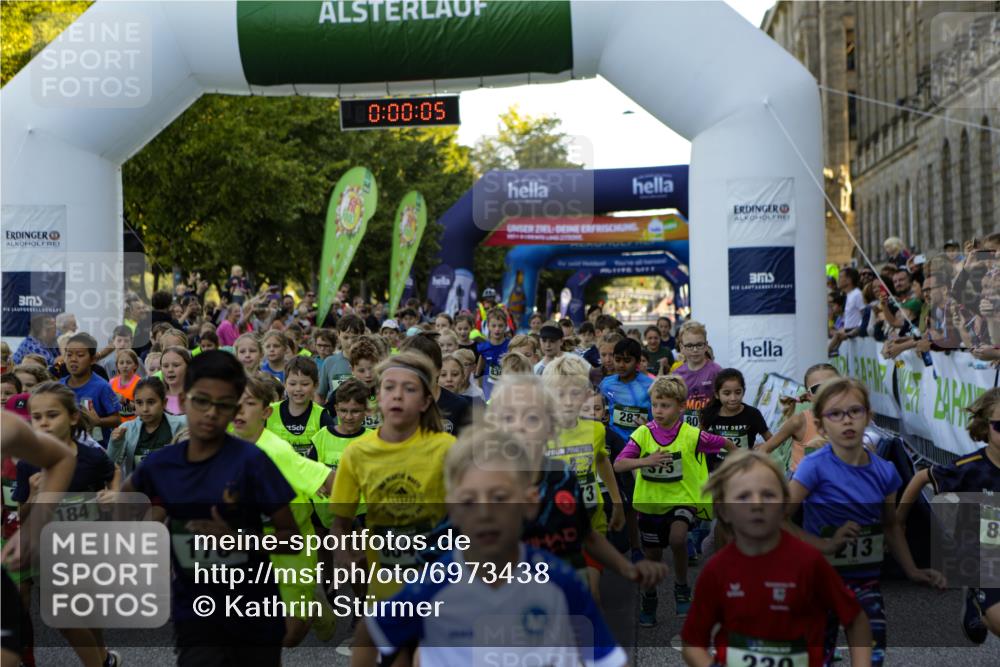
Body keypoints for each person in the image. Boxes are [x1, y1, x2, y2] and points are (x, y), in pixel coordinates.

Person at [359, 429, 629, 667]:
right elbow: (371, 632)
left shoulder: (559, 582)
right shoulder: (434, 584)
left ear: (529, 503)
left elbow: (607, 658)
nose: (485, 513)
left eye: (500, 498)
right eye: (468, 501)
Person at [121, 351, 299, 666]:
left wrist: (241, 540)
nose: (211, 413)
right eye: (202, 401)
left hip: (253, 611)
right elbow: (124, 507)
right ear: (184, 400)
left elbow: (291, 537)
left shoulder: (252, 462)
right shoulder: (161, 465)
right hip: (195, 613)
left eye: (224, 404)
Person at [788, 378, 945, 666]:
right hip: (817, 583)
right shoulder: (814, 466)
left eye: (855, 411)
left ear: (868, 418)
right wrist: (824, 544)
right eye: (835, 414)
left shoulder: (885, 472)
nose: (846, 420)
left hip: (865, 583)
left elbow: (891, 525)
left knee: (872, 659)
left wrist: (912, 570)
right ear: (821, 426)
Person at [681, 450, 874, 667]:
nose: (757, 504)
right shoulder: (717, 570)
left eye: (768, 495)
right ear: (723, 511)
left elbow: (856, 620)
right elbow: (692, 642)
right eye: (743, 496)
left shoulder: (809, 563)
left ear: (784, 506)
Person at [329, 352, 456, 663]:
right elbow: (340, 523)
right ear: (377, 398)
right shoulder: (357, 453)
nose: (398, 395)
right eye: (389, 387)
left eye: (410, 389)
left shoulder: (447, 449)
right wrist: (343, 557)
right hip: (386, 589)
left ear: (426, 401)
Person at [614, 375, 735, 625]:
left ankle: (681, 587)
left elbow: (726, 443)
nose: (658, 410)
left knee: (678, 538)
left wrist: (741, 463)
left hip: (683, 500)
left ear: (681, 407)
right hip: (651, 503)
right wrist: (645, 461)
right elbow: (619, 464)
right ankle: (650, 597)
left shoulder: (692, 435)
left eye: (665, 405)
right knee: (654, 556)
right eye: (655, 405)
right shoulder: (643, 434)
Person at [14, 382, 118, 667]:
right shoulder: (28, 464)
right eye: (37, 417)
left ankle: (101, 660)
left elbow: (114, 472)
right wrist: (34, 495)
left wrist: (114, 493)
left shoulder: (91, 457)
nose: (44, 422)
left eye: (52, 415)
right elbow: (21, 515)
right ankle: (102, 661)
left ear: (72, 417)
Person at [231, 375, 337, 646]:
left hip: (293, 548)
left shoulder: (277, 451)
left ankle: (313, 608)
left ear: (266, 412)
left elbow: (326, 478)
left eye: (248, 403)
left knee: (289, 638)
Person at [898, 388, 1000, 643]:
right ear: (985, 427)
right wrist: (898, 519)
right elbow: (923, 477)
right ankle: (979, 606)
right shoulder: (970, 468)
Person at [542, 355, 625, 600]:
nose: (568, 401)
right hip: (552, 532)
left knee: (591, 595)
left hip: (592, 524)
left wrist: (617, 502)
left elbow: (601, 460)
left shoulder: (596, 429)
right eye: (560, 394)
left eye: (575, 393)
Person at [758, 363, 840, 474]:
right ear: (809, 396)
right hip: (803, 486)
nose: (826, 392)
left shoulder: (853, 417)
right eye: (818, 389)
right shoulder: (799, 421)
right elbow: (764, 450)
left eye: (832, 385)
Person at [108, 377, 187, 485]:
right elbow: (111, 466)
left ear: (164, 402)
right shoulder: (126, 429)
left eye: (151, 402)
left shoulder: (182, 424)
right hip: (140, 495)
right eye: (139, 403)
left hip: (173, 492)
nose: (145, 409)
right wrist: (115, 444)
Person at [399, 334, 473, 437]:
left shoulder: (459, 406)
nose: (417, 372)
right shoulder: (397, 404)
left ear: (438, 369)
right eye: (411, 366)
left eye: (424, 366)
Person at [699, 368, 772, 470]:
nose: (733, 398)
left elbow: (770, 439)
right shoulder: (709, 413)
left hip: (744, 469)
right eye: (727, 393)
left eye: (738, 392)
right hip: (715, 472)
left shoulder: (753, 414)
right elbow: (699, 440)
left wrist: (764, 447)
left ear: (743, 391)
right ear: (717, 394)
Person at [263, 356, 333, 456]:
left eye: (304, 384)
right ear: (285, 384)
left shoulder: (322, 416)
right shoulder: (269, 412)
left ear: (316, 385)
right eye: (292, 384)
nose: (298, 389)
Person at [60, 332, 121, 445]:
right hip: (67, 447)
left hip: (97, 448)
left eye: (80, 355)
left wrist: (98, 422)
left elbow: (117, 419)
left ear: (92, 359)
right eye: (69, 354)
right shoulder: (59, 386)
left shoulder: (102, 386)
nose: (73, 359)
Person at [599, 337, 653, 445]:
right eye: (617, 360)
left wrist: (650, 427)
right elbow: (601, 407)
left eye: (627, 360)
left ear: (637, 361)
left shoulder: (651, 385)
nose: (621, 365)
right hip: (614, 444)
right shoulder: (606, 384)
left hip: (641, 442)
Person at [673, 320, 722, 428]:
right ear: (681, 348)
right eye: (689, 345)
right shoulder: (676, 374)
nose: (695, 350)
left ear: (706, 346)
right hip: (684, 432)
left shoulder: (717, 371)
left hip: (711, 431)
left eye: (699, 344)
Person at [317, 314, 365, 404]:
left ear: (362, 336)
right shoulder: (329, 362)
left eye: (354, 337)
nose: (350, 342)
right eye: (345, 337)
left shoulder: (370, 363)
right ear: (338, 335)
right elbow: (320, 395)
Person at [474, 307, 510, 401]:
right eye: (493, 326)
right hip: (488, 387)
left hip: (505, 386)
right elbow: (480, 365)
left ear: (506, 326)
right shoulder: (482, 347)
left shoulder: (510, 346)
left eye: (500, 326)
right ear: (488, 326)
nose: (497, 329)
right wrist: (477, 379)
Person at [109, 349, 141, 424]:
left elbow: (141, 407)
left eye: (128, 363)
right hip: (116, 426)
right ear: (117, 365)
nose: (125, 366)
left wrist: (125, 401)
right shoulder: (112, 382)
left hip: (134, 425)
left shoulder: (140, 383)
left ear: (135, 365)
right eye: (121, 363)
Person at [161, 346, 191, 416]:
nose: (170, 370)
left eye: (176, 365)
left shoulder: (196, 397)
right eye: (165, 366)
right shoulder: (157, 397)